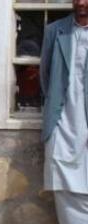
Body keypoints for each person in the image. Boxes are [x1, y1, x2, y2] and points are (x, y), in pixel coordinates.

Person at [40, 0, 88, 223]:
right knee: (65, 197)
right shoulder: (55, 31)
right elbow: (45, 76)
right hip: (62, 123)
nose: (81, 3)